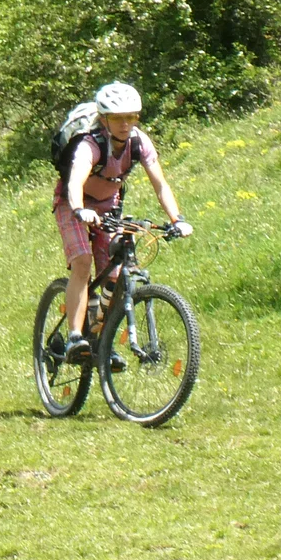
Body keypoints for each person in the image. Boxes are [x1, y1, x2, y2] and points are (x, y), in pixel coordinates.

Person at [55, 82, 191, 362]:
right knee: (82, 262)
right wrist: (80, 209)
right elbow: (75, 181)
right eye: (117, 118)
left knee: (115, 276)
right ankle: (75, 339)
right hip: (73, 204)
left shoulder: (139, 142)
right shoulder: (91, 144)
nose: (125, 124)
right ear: (104, 119)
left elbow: (160, 185)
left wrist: (176, 219)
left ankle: (102, 342)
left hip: (108, 205)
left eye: (131, 117)